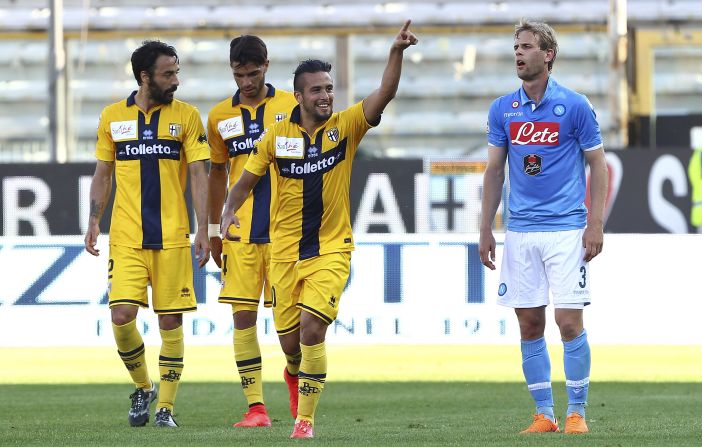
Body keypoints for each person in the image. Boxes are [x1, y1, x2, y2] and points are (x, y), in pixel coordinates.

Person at [219, 20, 418, 439]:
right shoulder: (277, 136)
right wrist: (227, 211)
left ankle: (304, 421)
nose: (326, 96)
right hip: (283, 254)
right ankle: (295, 375)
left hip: (331, 249)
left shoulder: (346, 127)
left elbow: (385, 94)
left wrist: (395, 53)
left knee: (313, 328)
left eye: (329, 88)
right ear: (299, 96)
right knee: (291, 345)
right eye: (317, 90)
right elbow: (245, 180)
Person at [479, 20, 608, 435]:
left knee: (569, 323)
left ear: (547, 55)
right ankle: (543, 415)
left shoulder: (574, 105)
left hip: (567, 230)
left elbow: (598, 165)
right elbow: (495, 171)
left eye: (527, 47)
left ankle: (576, 413)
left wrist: (595, 223)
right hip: (520, 232)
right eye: (515, 47)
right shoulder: (503, 108)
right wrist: (486, 229)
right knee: (529, 324)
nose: (518, 53)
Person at [84, 40, 210, 428]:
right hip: (125, 237)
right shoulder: (111, 117)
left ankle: (166, 409)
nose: (176, 80)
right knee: (121, 317)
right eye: (168, 74)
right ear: (144, 77)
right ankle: (143, 385)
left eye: (176, 72)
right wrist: (93, 220)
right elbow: (103, 174)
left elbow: (199, 174)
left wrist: (205, 228)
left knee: (170, 322)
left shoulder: (187, 117)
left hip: (172, 238)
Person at [206, 35, 298, 428]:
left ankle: (293, 372)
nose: (246, 81)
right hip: (239, 234)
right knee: (242, 319)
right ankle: (256, 407)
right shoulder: (218, 117)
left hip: (283, 233)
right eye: (239, 74)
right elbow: (216, 173)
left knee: (289, 332)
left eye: (253, 73)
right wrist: (212, 228)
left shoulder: (292, 106)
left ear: (267, 65)